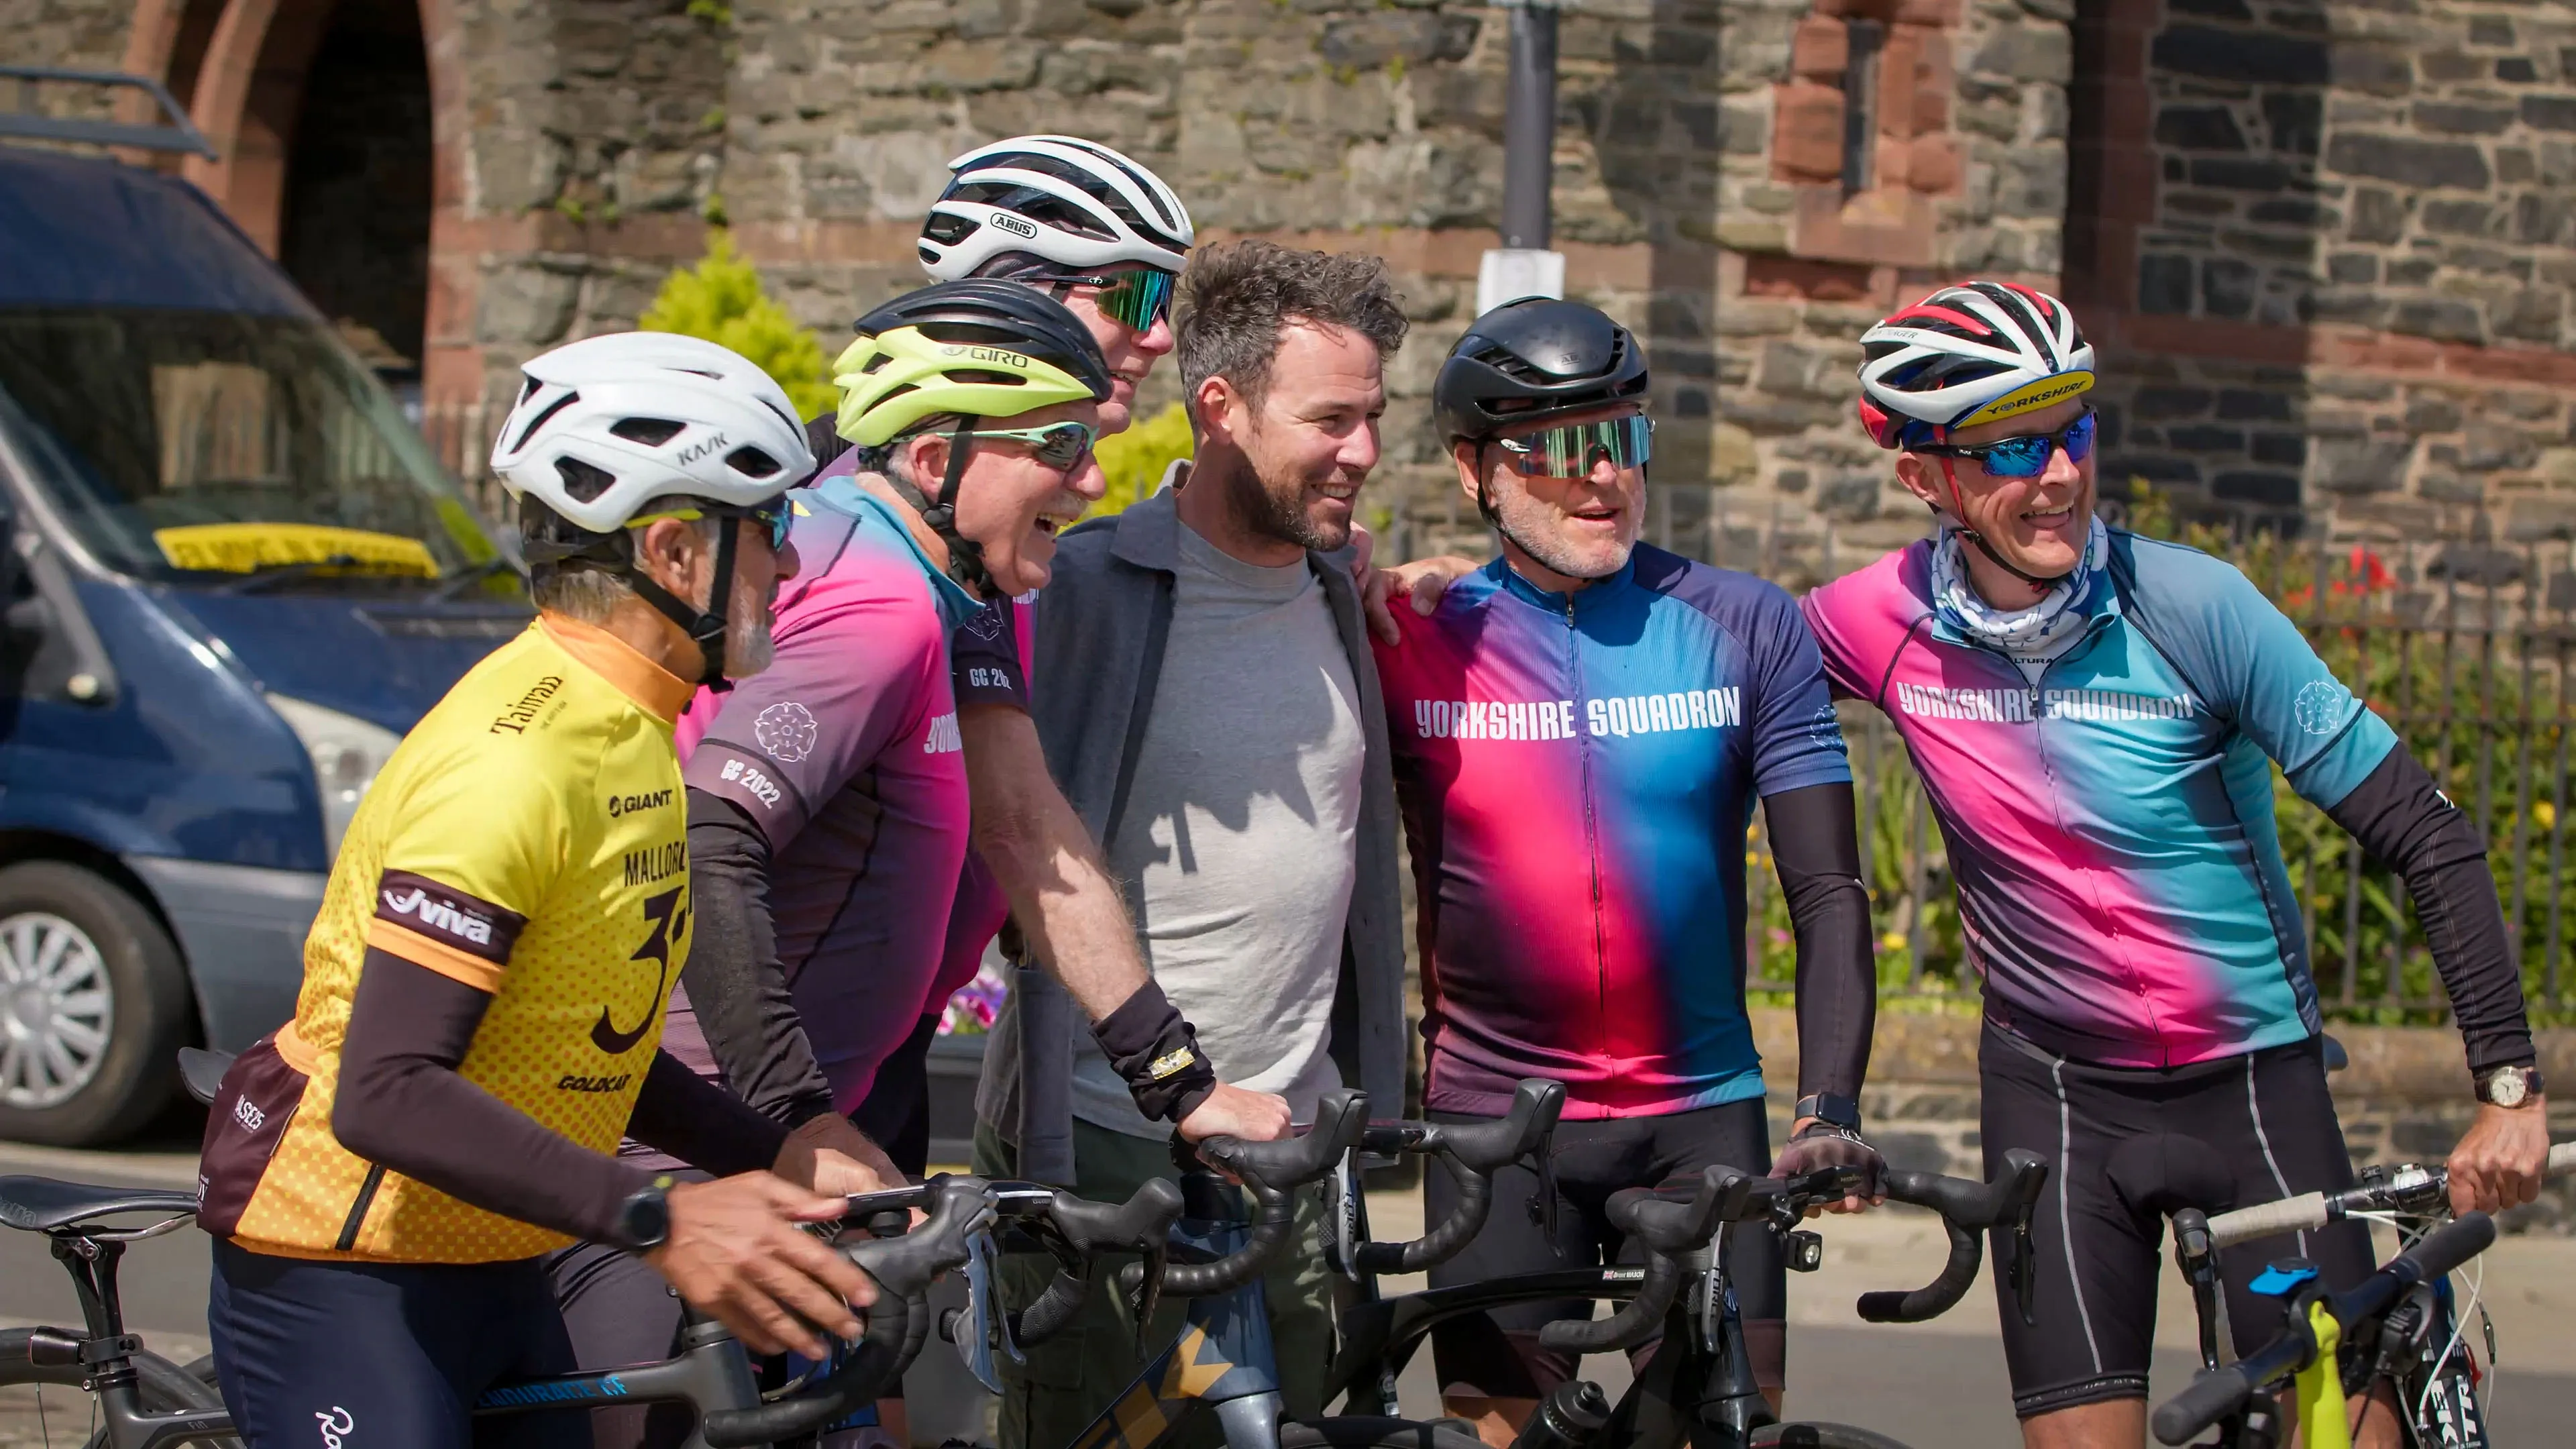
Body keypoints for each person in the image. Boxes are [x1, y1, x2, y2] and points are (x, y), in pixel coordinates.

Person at [1798, 281, 2548, 1448]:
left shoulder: (2194, 606)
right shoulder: (1875, 620)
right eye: (2012, 447)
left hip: (2251, 1090)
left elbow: (2428, 832)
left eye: (2074, 429)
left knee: (2341, 1435)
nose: (2059, 474)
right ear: (1924, 476)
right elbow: (1708, 669)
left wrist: (2510, 1094)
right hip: (2051, 1100)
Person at [195, 333, 887, 1448]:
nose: (793, 564)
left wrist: (776, 1153)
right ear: (674, 551)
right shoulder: (511, 763)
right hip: (345, 1261)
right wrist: (664, 1220)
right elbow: (384, 1093)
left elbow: (586, 1039)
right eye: (769, 528)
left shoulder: (631, 724)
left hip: (495, 1246)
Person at [1367, 299, 1882, 1444]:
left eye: (1623, 437)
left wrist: (1829, 1109)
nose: (1602, 477)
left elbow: (1828, 893)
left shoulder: (1745, 625)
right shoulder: (1406, 636)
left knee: (1725, 1432)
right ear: (1474, 470)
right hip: (1496, 1131)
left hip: (1704, 1120)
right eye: (1557, 449)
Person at [973, 238, 1414, 1449]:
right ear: (1220, 408)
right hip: (1107, 1142)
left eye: (1373, 417)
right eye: (1330, 421)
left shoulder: (1341, 590)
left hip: (1292, 1145)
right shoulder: (1078, 587)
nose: (1364, 453)